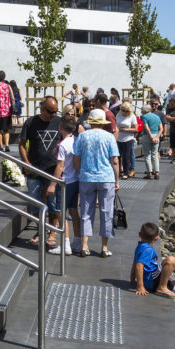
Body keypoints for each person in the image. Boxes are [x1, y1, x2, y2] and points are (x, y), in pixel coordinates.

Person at [131, 222, 175, 332]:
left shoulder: (140, 246)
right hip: (155, 281)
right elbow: (139, 265)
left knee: (166, 262)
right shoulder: (148, 249)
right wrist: (140, 286)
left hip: (154, 277)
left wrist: (132, 279)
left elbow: (136, 262)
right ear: (157, 238)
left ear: (139, 234)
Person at [72, 109, 121, 258]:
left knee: (86, 211)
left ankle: (85, 246)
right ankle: (104, 247)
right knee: (107, 212)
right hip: (106, 177)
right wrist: (117, 180)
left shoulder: (82, 136)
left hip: (87, 177)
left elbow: (76, 157)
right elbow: (115, 160)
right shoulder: (109, 137)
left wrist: (80, 172)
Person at [19, 97, 62, 250]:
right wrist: (26, 163)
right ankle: (39, 230)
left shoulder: (59, 122)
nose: (54, 114)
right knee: (35, 203)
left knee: (52, 203)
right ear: (42, 108)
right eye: (51, 111)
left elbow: (68, 140)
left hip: (52, 170)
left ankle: (52, 233)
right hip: (34, 170)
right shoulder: (30, 122)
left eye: (56, 111)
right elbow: (22, 145)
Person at [53, 114, 79, 254]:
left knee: (60, 212)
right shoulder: (75, 140)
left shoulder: (62, 145)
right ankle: (78, 241)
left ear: (60, 128)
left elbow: (60, 166)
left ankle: (65, 245)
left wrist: (53, 184)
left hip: (65, 181)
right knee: (74, 210)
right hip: (76, 180)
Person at [140, 102, 163, 180]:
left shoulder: (144, 117)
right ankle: (157, 173)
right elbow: (161, 129)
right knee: (155, 155)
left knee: (147, 155)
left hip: (147, 136)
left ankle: (149, 173)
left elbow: (146, 128)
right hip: (156, 135)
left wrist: (151, 137)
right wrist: (156, 137)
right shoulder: (157, 116)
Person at [116, 101, 139, 177]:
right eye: (123, 110)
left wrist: (125, 130)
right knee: (118, 156)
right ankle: (119, 171)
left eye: (127, 111)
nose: (125, 112)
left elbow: (136, 129)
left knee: (126, 156)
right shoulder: (118, 115)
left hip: (128, 138)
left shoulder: (132, 116)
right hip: (119, 138)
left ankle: (126, 172)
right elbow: (115, 125)